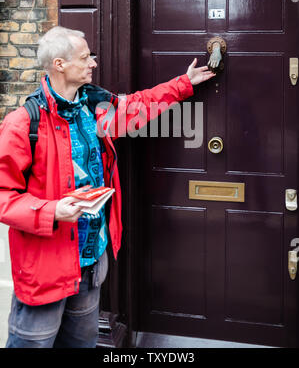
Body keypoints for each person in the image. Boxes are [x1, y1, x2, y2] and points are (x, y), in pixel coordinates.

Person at [0, 26, 215, 348]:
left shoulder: (94, 106)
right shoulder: (23, 123)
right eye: (85, 57)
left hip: (92, 259)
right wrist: (52, 210)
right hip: (47, 266)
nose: (93, 64)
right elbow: (4, 195)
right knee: (35, 343)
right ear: (59, 64)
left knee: (82, 343)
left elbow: (137, 108)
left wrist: (182, 85)